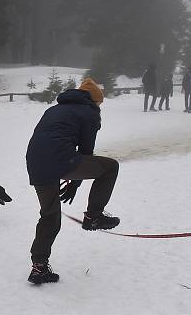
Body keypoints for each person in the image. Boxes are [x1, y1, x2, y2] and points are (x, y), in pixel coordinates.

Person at [25, 77, 120, 285]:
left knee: (50, 216)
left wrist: (72, 178)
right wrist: (75, 182)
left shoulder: (54, 109)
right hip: (60, 160)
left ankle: (39, 267)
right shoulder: (89, 113)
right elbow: (86, 151)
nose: (99, 107)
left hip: (35, 162)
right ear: (93, 100)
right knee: (111, 167)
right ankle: (94, 216)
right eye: (99, 103)